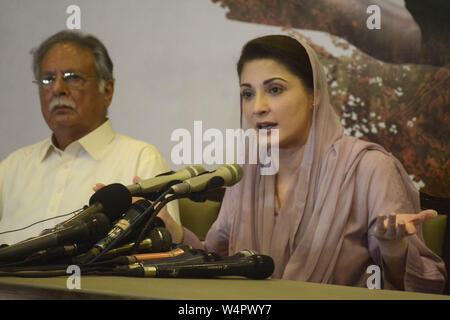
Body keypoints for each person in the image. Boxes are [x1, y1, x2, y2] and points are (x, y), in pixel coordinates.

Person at [158, 35, 447, 293]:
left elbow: (427, 286)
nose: (257, 107)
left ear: (314, 95)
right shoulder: (247, 172)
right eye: (248, 93)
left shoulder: (369, 167)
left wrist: (395, 248)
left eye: (274, 90)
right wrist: (172, 229)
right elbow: (218, 260)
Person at [0, 30, 180, 245]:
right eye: (48, 79)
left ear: (108, 91)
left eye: (73, 77)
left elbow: (164, 248)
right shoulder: (13, 167)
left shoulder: (141, 159)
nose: (58, 89)